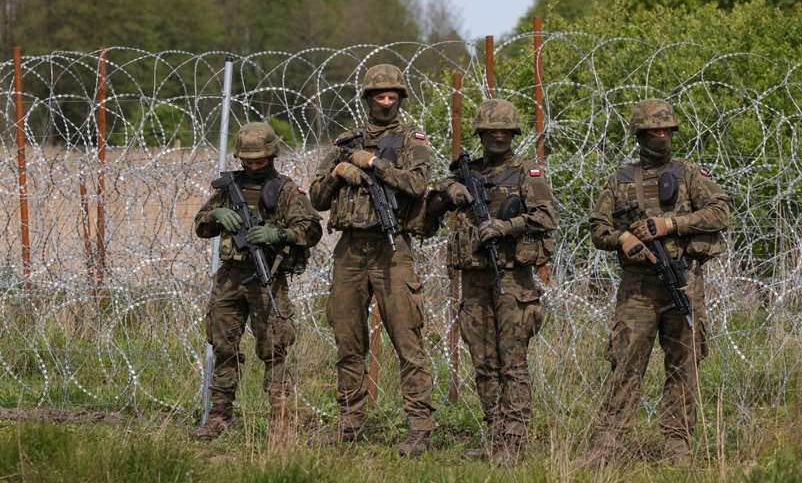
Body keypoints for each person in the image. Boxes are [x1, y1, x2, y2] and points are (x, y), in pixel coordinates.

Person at [578, 98, 729, 468]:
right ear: (640, 135)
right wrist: (624, 240)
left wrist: (670, 225)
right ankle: (608, 445)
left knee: (683, 364)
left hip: (682, 283)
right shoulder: (621, 178)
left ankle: (677, 445)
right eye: (654, 131)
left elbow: (721, 212)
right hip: (638, 288)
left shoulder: (689, 173)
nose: (661, 136)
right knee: (626, 362)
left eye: (666, 130)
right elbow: (598, 227)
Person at [308, 63, 436, 457]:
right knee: (348, 341)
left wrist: (374, 163)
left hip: (391, 249)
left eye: (392, 95)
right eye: (379, 95)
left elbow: (417, 184)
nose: (386, 100)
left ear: (400, 97)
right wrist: (340, 171)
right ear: (367, 98)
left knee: (406, 340)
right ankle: (350, 423)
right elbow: (316, 198)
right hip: (349, 250)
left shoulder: (412, 140)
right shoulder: (345, 141)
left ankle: (419, 428)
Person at [426, 98, 558, 466]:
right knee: (483, 362)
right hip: (474, 281)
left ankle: (512, 444)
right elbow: (429, 210)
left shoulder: (525, 173)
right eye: (491, 131)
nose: (497, 137)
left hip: (513, 280)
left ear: (513, 133)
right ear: (481, 134)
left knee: (512, 364)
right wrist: (448, 191)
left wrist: (505, 226)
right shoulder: (467, 174)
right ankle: (495, 436)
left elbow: (547, 216)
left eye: (504, 131)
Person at [192, 122, 323, 444]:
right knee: (223, 345)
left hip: (268, 278)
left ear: (272, 156)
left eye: (259, 160)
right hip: (230, 278)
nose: (253, 166)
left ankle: (281, 417)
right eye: (248, 161)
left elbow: (312, 230)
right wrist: (217, 214)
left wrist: (278, 234)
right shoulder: (228, 188)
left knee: (275, 348)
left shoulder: (286, 189)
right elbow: (201, 225)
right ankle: (220, 415)